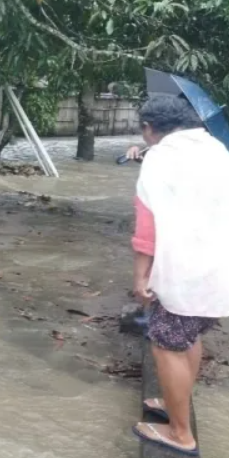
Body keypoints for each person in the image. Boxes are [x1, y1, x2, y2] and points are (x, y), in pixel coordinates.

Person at [130, 94, 229, 456]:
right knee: (189, 335)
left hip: (186, 269)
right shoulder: (217, 149)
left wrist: (140, 277)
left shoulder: (159, 159)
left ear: (149, 128)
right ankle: (177, 403)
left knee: (166, 343)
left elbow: (146, 230)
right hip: (220, 267)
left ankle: (180, 433)